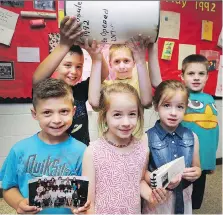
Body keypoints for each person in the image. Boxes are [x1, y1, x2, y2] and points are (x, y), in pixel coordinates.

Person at [0, 78, 89, 214]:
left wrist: (83, 208)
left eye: (64, 111)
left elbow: (88, 194)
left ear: (73, 111)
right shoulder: (20, 150)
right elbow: (8, 188)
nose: (57, 120)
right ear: (35, 114)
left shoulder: (83, 152)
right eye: (47, 112)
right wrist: (19, 203)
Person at [33, 16, 109, 146]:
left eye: (78, 66)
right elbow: (37, 80)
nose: (74, 72)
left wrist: (95, 53)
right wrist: (64, 45)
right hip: (57, 155)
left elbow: (103, 74)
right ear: (57, 65)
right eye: (68, 65)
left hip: (81, 154)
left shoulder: (80, 90)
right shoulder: (48, 90)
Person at [82, 82, 153, 214]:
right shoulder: (93, 152)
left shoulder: (143, 149)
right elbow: (88, 202)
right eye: (117, 115)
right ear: (104, 117)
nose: (126, 122)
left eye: (132, 114)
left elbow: (139, 181)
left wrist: (151, 196)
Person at [143, 80, 201, 214]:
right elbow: (142, 174)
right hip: (159, 198)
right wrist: (159, 180)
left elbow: (197, 166)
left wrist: (196, 172)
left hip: (184, 196)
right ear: (156, 106)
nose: (173, 113)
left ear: (186, 108)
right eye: (167, 105)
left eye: (180, 107)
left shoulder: (192, 137)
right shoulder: (146, 138)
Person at [181, 54, 219, 209]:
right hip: (185, 158)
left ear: (207, 77)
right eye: (191, 73)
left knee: (196, 199)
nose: (196, 78)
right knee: (180, 196)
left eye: (201, 74)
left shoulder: (210, 99)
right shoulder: (181, 96)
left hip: (204, 160)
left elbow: (212, 133)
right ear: (182, 76)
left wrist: (211, 162)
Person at [88, 35, 155, 111]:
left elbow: (147, 103)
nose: (122, 66)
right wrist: (96, 57)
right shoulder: (107, 86)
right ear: (110, 64)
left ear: (134, 62)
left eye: (126, 61)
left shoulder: (141, 80)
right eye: (117, 61)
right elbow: (95, 105)